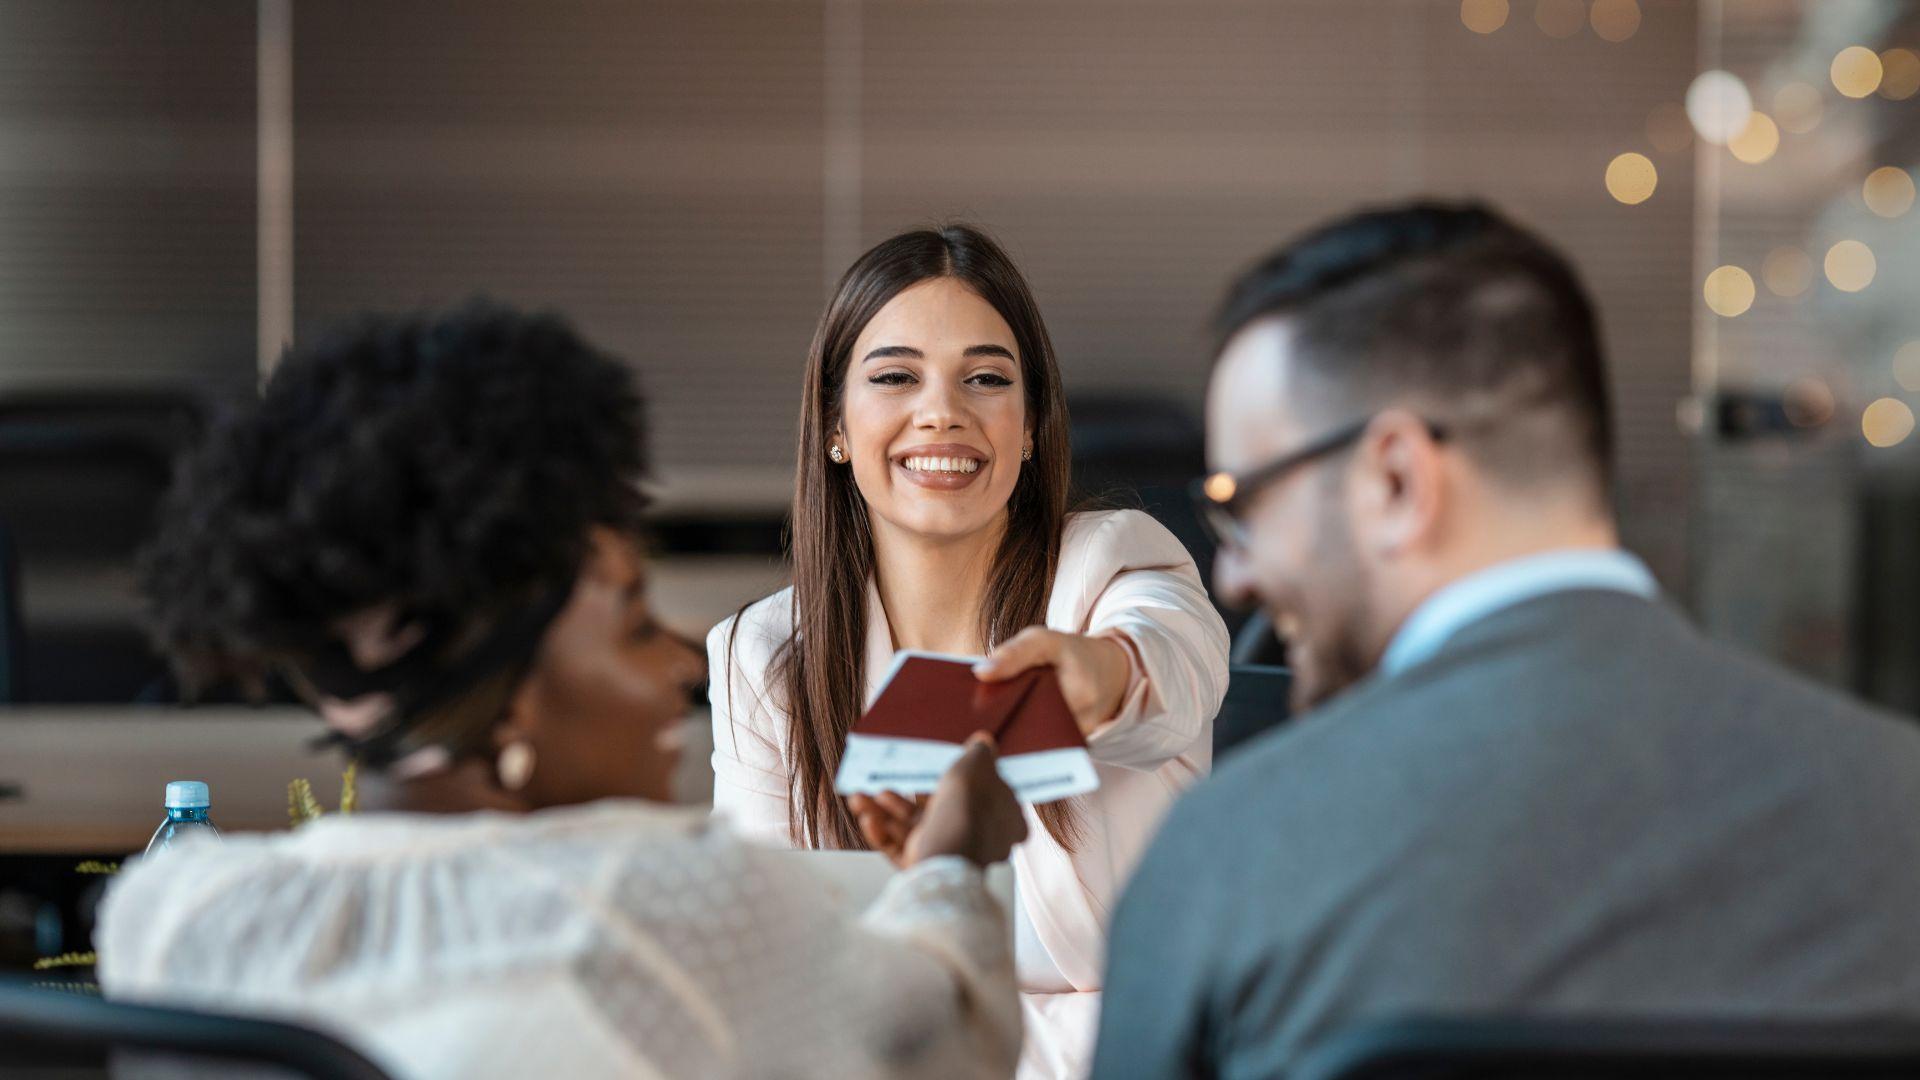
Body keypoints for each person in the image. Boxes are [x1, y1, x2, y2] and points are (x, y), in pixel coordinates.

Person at [97, 300, 1030, 1080]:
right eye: (631, 624)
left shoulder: (167, 914)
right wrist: (952, 866)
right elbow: (936, 1043)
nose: (680, 667)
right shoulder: (692, 912)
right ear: (515, 707)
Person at [1091, 202, 1920, 1078]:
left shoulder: (1234, 855)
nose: (1235, 576)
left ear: (1398, 479)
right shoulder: (1898, 801)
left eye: (1246, 503)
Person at [709, 225, 1230, 1079]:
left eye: (986, 379)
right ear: (836, 427)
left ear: (1030, 429)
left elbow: (1176, 665)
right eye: (895, 377)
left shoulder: (1115, 563)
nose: (943, 410)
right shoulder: (760, 655)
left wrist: (1096, 678)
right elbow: (776, 969)